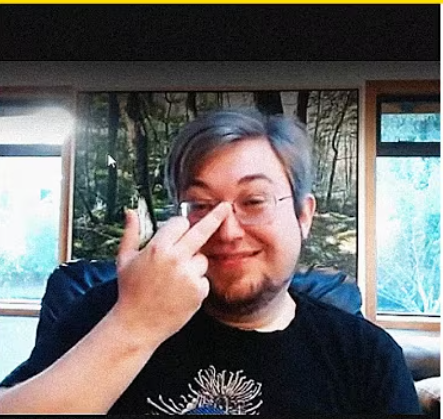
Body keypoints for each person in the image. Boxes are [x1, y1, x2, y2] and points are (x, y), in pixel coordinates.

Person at [0, 109, 420, 414]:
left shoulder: (367, 357)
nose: (227, 231)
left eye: (253, 201)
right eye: (200, 205)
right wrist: (133, 326)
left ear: (303, 216)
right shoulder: (108, 312)